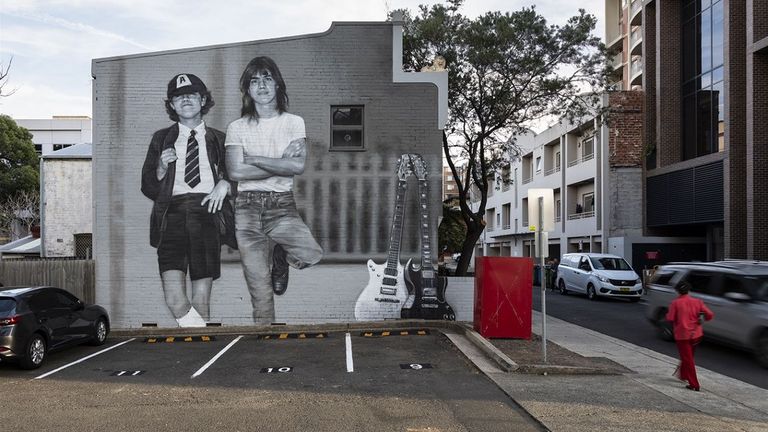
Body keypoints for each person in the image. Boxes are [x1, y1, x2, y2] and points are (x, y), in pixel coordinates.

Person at [225, 56, 323, 325]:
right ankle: (264, 339)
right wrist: (280, 162)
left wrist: (255, 159)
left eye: (267, 78)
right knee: (259, 288)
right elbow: (235, 172)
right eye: (255, 80)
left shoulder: (294, 123)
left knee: (312, 254)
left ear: (278, 84)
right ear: (247, 89)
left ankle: (281, 256)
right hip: (246, 209)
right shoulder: (237, 128)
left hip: (281, 205)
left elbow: (298, 165)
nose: (262, 85)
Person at [141, 73, 235, 327]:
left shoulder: (220, 139)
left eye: (192, 95)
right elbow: (147, 186)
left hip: (206, 213)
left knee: (201, 299)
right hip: (170, 216)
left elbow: (239, 177)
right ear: (171, 105)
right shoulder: (161, 139)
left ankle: (198, 352)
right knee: (174, 299)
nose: (185, 100)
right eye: (178, 97)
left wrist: (225, 184)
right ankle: (200, 338)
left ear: (203, 100)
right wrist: (161, 168)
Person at [665, 281, 714, 391]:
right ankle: (683, 375)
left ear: (677, 291)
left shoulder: (675, 303)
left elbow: (670, 318)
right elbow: (710, 315)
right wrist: (703, 319)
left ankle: (694, 384)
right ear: (689, 290)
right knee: (688, 356)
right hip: (696, 334)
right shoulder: (698, 302)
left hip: (683, 336)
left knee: (688, 359)